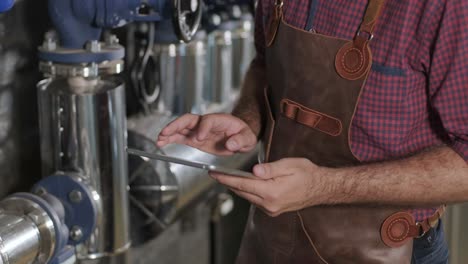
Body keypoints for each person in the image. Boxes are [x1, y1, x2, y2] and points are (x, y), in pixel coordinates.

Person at [157, 0, 468, 263]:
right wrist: (248, 121)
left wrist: (322, 186)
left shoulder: (445, 7)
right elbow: (265, 63)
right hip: (273, 238)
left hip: (386, 248)